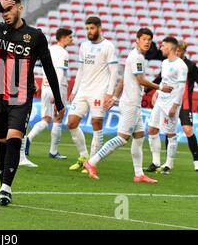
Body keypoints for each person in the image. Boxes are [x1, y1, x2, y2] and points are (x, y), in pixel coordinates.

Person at [0, 0, 64, 206]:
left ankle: (6, 188)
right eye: (3, 12)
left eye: (9, 10)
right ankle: (3, 186)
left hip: (21, 97)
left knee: (14, 139)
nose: (5, 15)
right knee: (1, 143)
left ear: (20, 8)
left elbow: (49, 69)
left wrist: (59, 101)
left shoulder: (35, 36)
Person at [83, 28, 173, 182]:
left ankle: (139, 174)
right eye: (144, 39)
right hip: (131, 103)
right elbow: (140, 80)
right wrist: (160, 88)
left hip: (134, 103)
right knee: (122, 138)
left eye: (149, 40)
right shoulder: (136, 57)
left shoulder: (135, 56)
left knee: (139, 137)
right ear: (137, 39)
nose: (147, 42)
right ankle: (91, 162)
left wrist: (114, 97)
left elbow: (124, 80)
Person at [67, 16, 118, 173]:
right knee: (71, 122)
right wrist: (74, 91)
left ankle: (92, 162)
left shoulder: (108, 46)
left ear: (99, 28)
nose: (89, 31)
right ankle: (84, 157)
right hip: (83, 90)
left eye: (92, 28)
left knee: (97, 125)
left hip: (99, 91)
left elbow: (114, 71)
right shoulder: (83, 46)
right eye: (87, 28)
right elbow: (81, 70)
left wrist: (109, 94)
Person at [25, 28, 73, 163]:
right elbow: (60, 73)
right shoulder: (64, 53)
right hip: (57, 88)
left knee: (46, 119)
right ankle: (53, 151)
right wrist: (56, 94)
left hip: (45, 87)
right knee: (58, 118)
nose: (71, 40)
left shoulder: (50, 49)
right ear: (63, 38)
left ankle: (29, 138)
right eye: (70, 37)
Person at [149, 39, 198, 171]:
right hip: (163, 101)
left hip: (178, 103)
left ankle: (185, 162)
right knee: (157, 130)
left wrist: (175, 105)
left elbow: (183, 87)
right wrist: (155, 91)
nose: (161, 48)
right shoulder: (165, 63)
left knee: (178, 132)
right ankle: (158, 163)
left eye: (163, 46)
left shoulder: (185, 66)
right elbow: (163, 80)